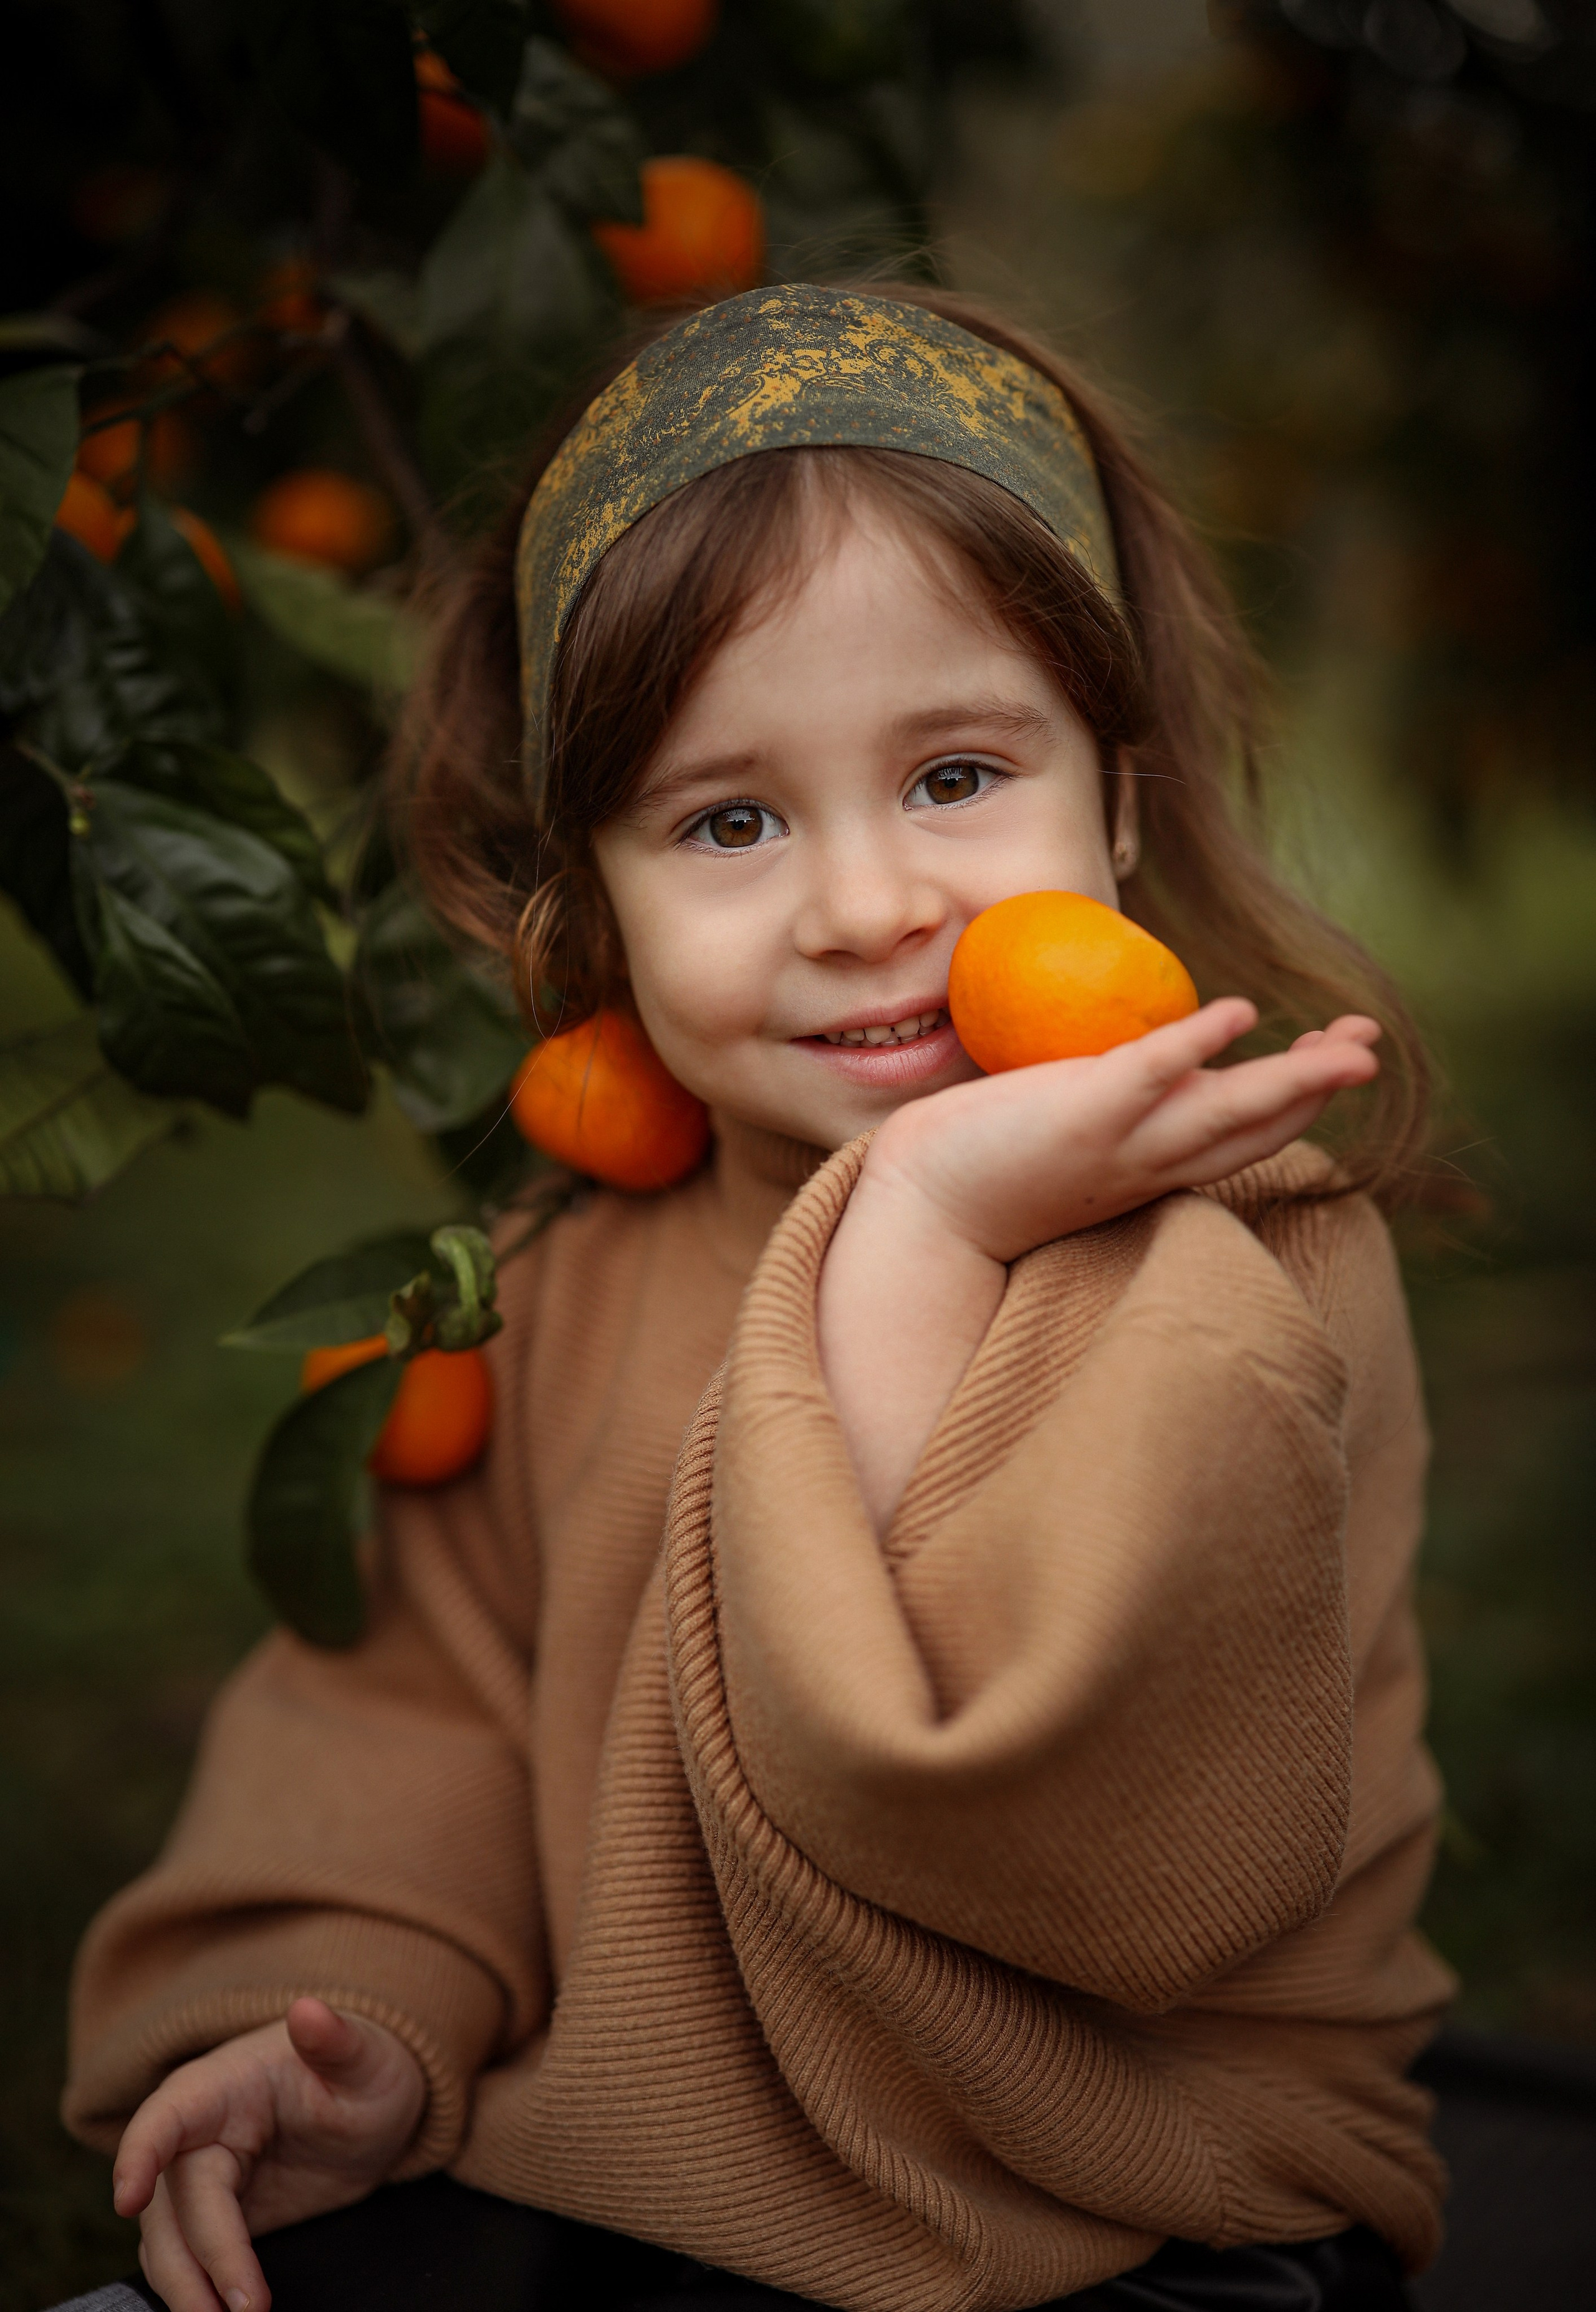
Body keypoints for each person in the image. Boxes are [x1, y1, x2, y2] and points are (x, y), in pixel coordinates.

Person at [57, 284, 1454, 2312]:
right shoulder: (562, 1280)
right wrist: (350, 2012)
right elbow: (416, 1716)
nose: (867, 905)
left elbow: (1045, 1828)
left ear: (1119, 799)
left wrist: (918, 1235)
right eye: (728, 820)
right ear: (593, 898)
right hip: (627, 2193)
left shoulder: (1245, 1253)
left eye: (956, 775)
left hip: (1129, 2219)